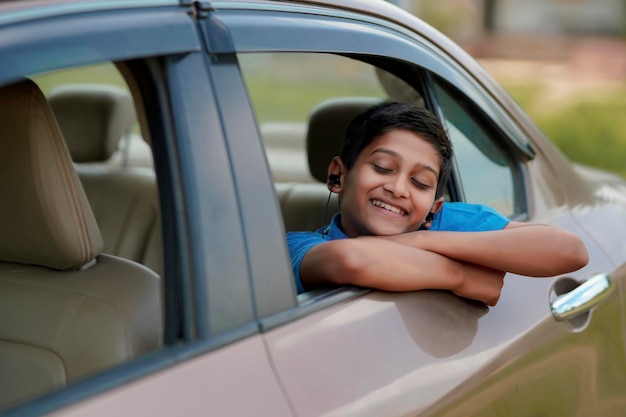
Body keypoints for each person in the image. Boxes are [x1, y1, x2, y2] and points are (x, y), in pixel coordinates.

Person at [287, 102, 589, 306]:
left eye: (420, 183)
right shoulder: (298, 246)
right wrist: (462, 276)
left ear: (434, 206)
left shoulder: (443, 224)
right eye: (381, 167)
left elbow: (570, 250)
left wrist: (420, 238)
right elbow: (351, 260)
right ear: (338, 174)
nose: (398, 188)